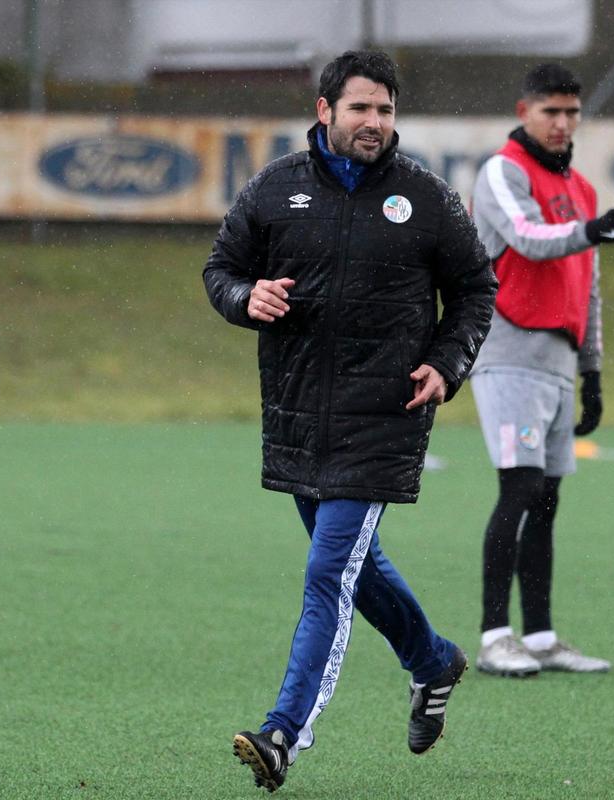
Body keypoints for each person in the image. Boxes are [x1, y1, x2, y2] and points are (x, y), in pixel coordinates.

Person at [203, 50, 497, 794]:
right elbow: (221, 270)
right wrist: (247, 298)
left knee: (328, 573)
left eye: (387, 109)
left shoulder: (425, 198)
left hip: (385, 414)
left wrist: (446, 362)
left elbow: (474, 290)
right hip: (299, 413)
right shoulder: (274, 190)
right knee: (356, 568)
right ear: (325, 109)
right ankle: (432, 661)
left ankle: (283, 734)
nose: (376, 122)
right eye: (362, 108)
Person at [468, 63, 614, 678]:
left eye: (572, 112)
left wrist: (591, 370)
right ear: (524, 111)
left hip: (558, 363)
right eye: (551, 112)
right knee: (517, 488)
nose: (563, 123)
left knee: (546, 500)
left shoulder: (585, 189)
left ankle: (539, 637)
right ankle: (494, 637)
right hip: (509, 353)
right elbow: (528, 238)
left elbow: (586, 284)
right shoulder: (503, 171)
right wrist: (592, 231)